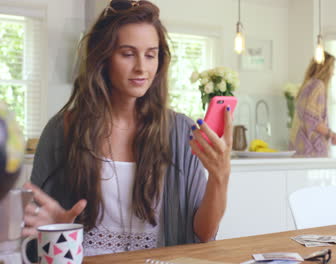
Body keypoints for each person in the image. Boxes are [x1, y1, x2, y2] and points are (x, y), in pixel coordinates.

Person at [22, 0, 232, 256]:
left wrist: (220, 177)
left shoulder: (180, 131)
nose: (142, 68)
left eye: (150, 54)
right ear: (103, 56)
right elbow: (32, 234)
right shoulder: (62, 130)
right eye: (128, 53)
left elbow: (204, 233)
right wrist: (58, 230)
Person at [289, 52, 336, 157]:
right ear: (325, 69)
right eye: (332, 67)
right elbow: (312, 120)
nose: (333, 73)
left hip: (300, 148)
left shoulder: (307, 85)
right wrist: (333, 136)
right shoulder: (318, 86)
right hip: (311, 151)